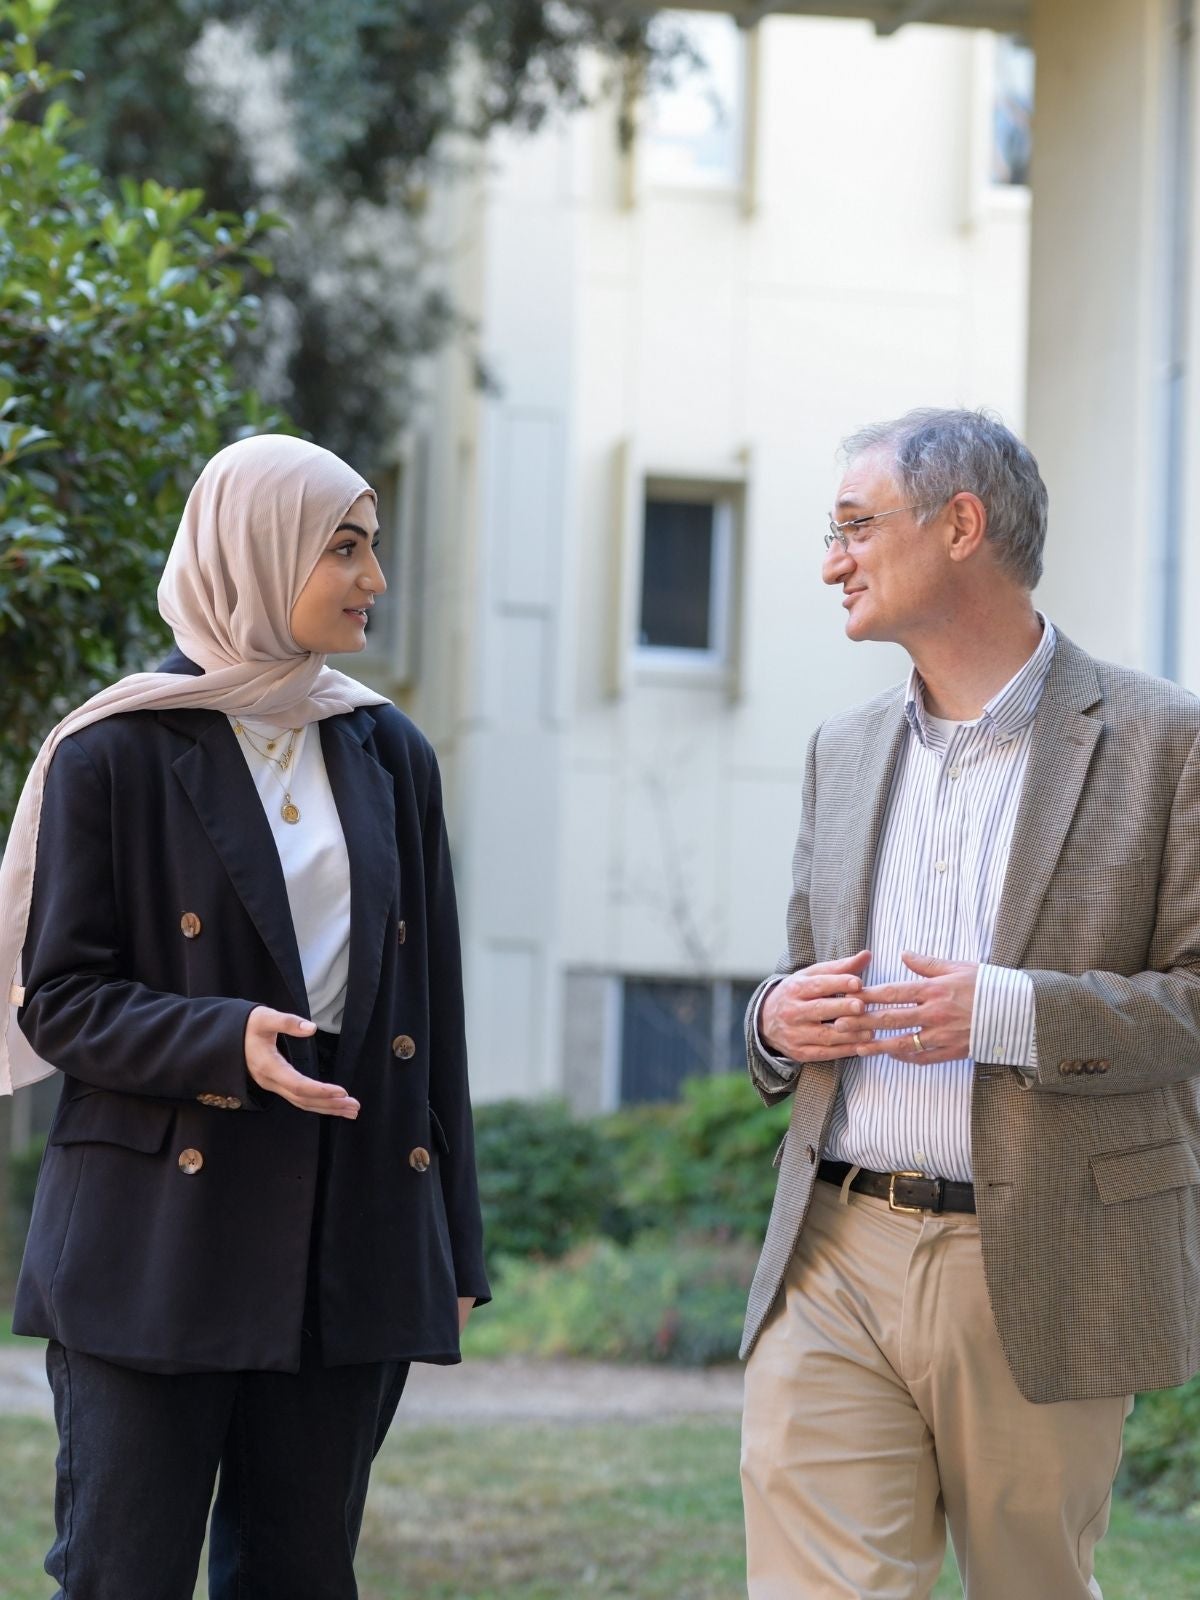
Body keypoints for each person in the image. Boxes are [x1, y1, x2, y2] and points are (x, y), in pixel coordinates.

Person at [0, 434, 490, 1599]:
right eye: (347, 547)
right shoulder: (115, 746)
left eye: (372, 547)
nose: (374, 578)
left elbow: (437, 1012)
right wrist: (227, 1038)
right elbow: (56, 997)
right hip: (154, 1241)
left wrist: (452, 1234)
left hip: (348, 1229)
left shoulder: (386, 749)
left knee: (301, 1575)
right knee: (123, 1574)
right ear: (257, 553)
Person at [738, 408, 1200, 1600]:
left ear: (960, 525)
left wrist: (1010, 1012)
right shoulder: (839, 750)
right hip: (833, 1248)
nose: (831, 557)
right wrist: (775, 1023)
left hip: (1043, 1256)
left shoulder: (1162, 740)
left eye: (853, 526)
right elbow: (797, 979)